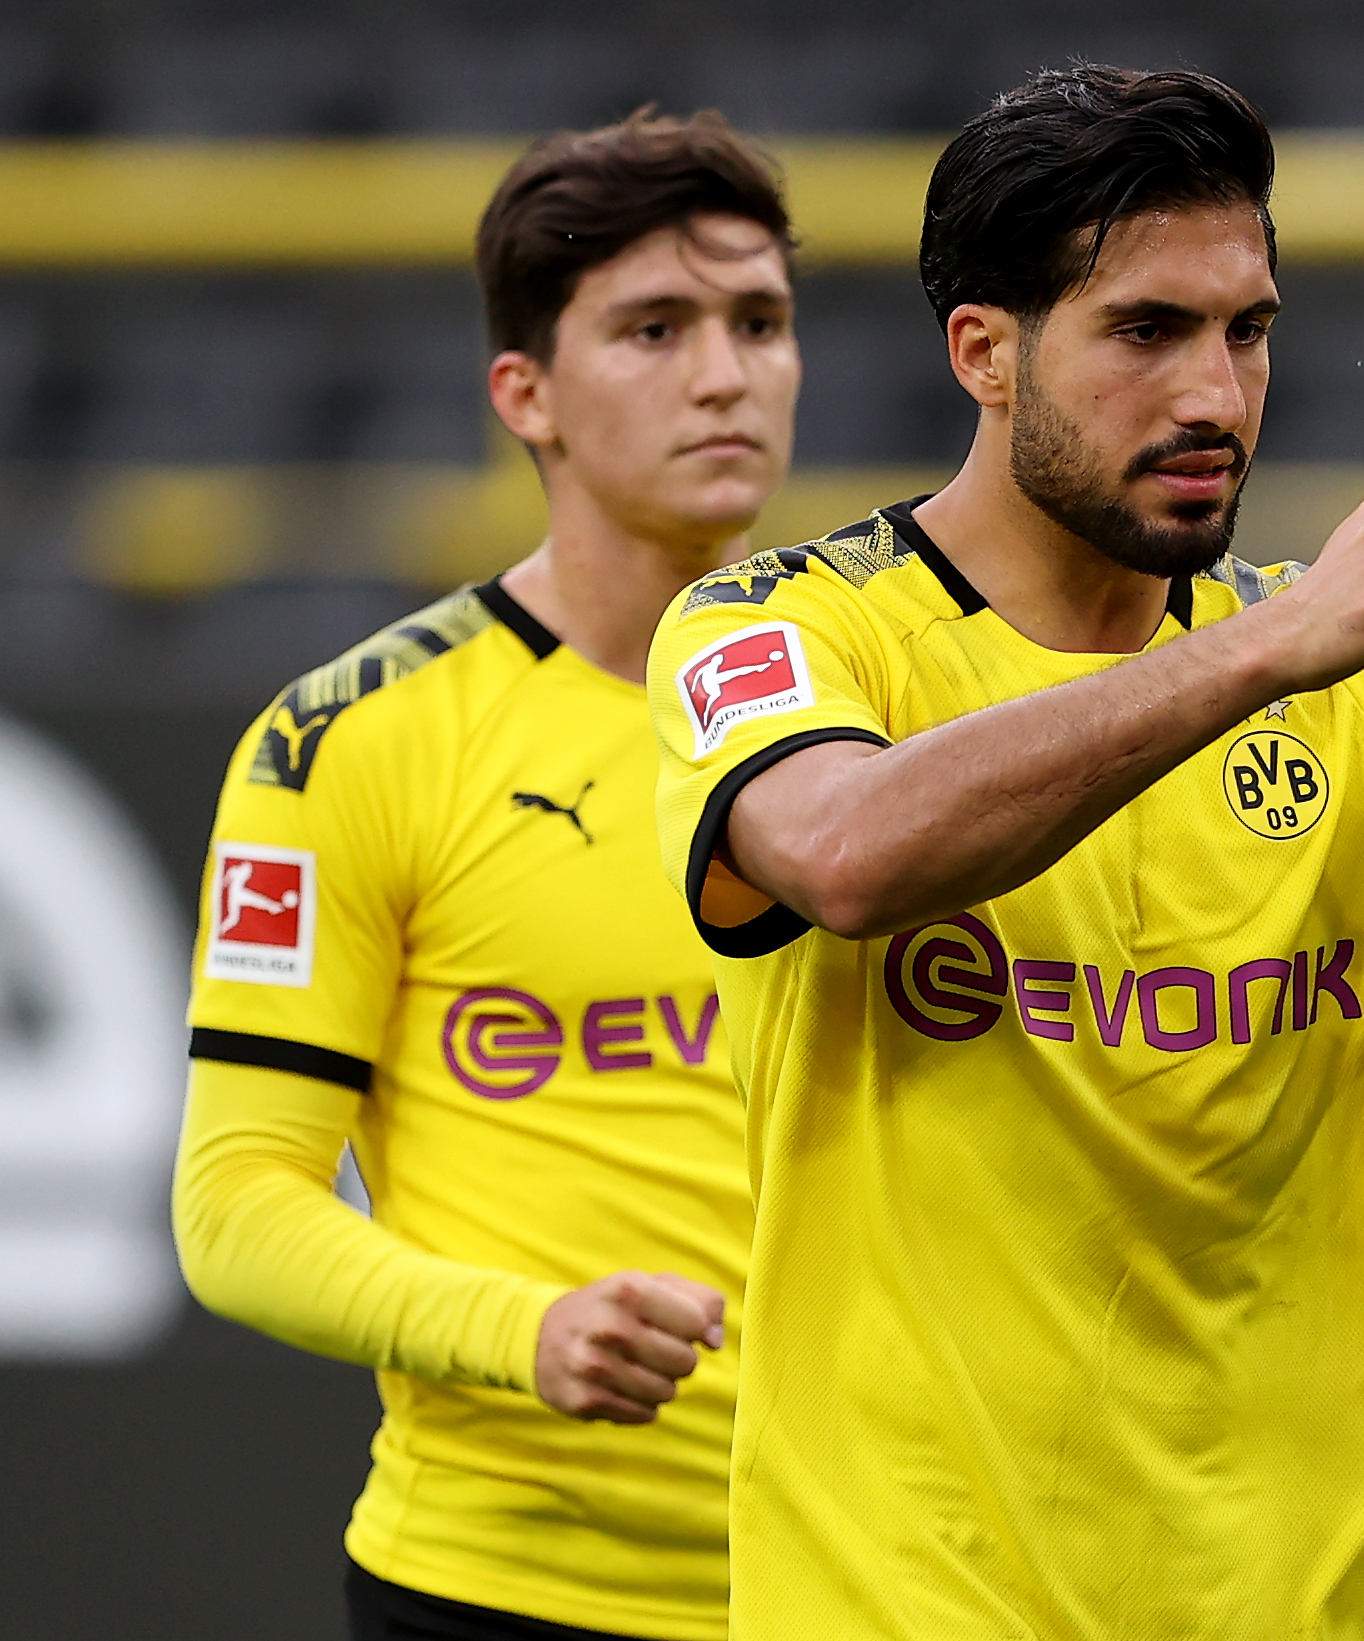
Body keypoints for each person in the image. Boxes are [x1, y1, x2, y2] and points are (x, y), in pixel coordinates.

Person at [644, 64, 1364, 1638]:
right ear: (986, 353)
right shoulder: (780, 626)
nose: (1216, 397)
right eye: (1146, 331)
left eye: (1250, 331)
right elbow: (841, 850)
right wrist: (1252, 655)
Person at [174, 109, 798, 1641]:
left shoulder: (906, 703)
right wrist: (524, 1331)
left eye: (760, 321)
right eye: (653, 327)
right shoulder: (350, 742)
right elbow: (236, 1202)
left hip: (863, 1576)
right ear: (524, 393)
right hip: (500, 1589)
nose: (725, 373)